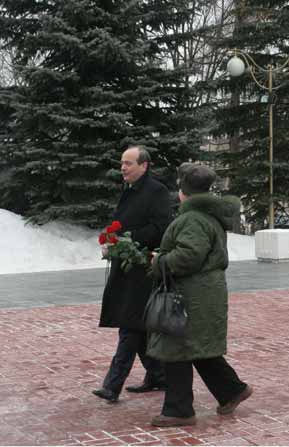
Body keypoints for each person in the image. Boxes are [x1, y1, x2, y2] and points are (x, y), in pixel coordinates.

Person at [148, 164, 252, 427]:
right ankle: (231, 390)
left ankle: (178, 410)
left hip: (191, 294)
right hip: (204, 292)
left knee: (177, 348)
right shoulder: (207, 215)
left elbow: (188, 256)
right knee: (198, 346)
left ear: (183, 191)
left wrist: (160, 260)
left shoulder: (192, 218)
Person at [93, 146, 172, 403]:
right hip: (126, 266)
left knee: (130, 325)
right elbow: (124, 221)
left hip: (143, 268)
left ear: (144, 165)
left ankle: (112, 385)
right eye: (122, 163)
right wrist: (112, 238)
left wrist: (126, 240)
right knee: (137, 326)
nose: (123, 168)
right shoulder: (129, 190)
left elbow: (160, 229)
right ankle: (158, 376)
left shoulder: (157, 191)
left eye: (128, 163)